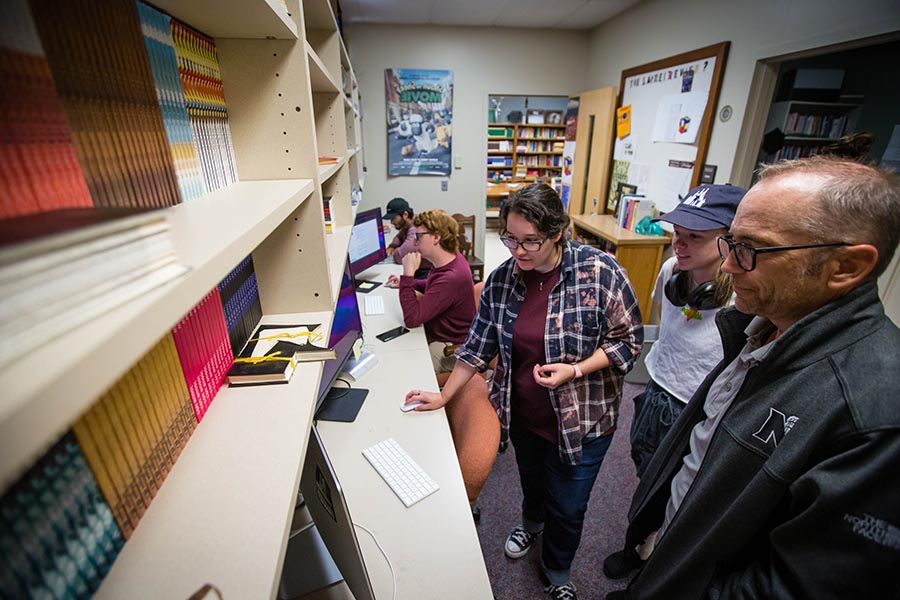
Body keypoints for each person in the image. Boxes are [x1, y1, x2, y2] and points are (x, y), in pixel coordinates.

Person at [604, 156, 900, 599]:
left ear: (845, 267)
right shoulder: (760, 325)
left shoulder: (876, 413)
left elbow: (796, 585)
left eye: (751, 249)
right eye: (731, 244)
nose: (726, 268)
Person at [407, 183, 643, 600]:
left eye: (530, 241)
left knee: (568, 506)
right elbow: (476, 346)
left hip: (583, 420)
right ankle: (531, 526)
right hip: (524, 415)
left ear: (557, 233)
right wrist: (444, 396)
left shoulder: (600, 272)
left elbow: (629, 340)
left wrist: (576, 369)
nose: (518, 251)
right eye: (510, 239)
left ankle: (556, 569)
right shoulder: (502, 281)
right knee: (532, 485)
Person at [628, 184, 747, 479]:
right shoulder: (671, 270)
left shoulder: (743, 296)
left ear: (729, 241)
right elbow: (665, 322)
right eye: (677, 232)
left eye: (694, 236)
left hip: (698, 407)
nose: (678, 244)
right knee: (645, 470)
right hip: (656, 386)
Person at [385, 209, 476, 373]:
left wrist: (408, 275)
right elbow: (433, 285)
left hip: (449, 348)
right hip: (438, 334)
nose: (414, 243)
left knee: (404, 370)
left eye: (418, 237)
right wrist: (410, 283)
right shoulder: (449, 258)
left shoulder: (451, 277)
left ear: (436, 237)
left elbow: (412, 320)